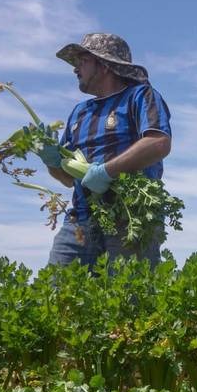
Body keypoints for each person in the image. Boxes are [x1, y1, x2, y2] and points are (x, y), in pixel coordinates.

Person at [39, 33, 172, 268]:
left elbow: (158, 142)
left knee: (128, 299)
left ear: (103, 64)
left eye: (82, 61)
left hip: (130, 218)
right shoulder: (79, 112)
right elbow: (68, 179)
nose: (75, 69)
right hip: (80, 221)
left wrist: (107, 172)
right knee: (58, 296)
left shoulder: (140, 96)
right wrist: (51, 161)